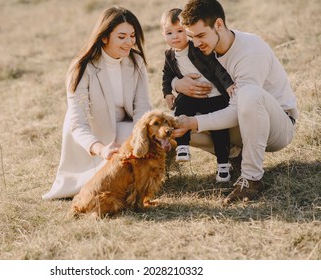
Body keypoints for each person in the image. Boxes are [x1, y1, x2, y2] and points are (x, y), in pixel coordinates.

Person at [172, 0, 298, 204]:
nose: (196, 44)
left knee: (248, 94)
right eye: (191, 37)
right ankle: (234, 155)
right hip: (240, 123)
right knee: (174, 124)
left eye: (201, 35)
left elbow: (238, 108)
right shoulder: (201, 49)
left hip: (277, 127)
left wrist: (195, 123)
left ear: (219, 25)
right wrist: (176, 84)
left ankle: (251, 178)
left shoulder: (250, 51)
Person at [42, 6, 152, 200]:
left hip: (125, 126)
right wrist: (100, 148)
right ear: (104, 37)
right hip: (92, 133)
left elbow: (142, 107)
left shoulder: (136, 61)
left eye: (132, 35)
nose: (129, 42)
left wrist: (142, 136)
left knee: (146, 141)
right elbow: (77, 122)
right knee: (99, 183)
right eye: (122, 37)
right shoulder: (82, 67)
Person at [161, 8, 235, 182]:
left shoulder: (197, 50)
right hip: (192, 98)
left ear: (188, 32)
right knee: (181, 108)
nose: (175, 37)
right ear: (163, 34)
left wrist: (228, 84)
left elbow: (217, 68)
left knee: (220, 131)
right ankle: (182, 145)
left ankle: (223, 164)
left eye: (180, 31)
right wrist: (167, 92)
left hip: (215, 96)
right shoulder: (169, 55)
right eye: (169, 33)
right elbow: (167, 75)